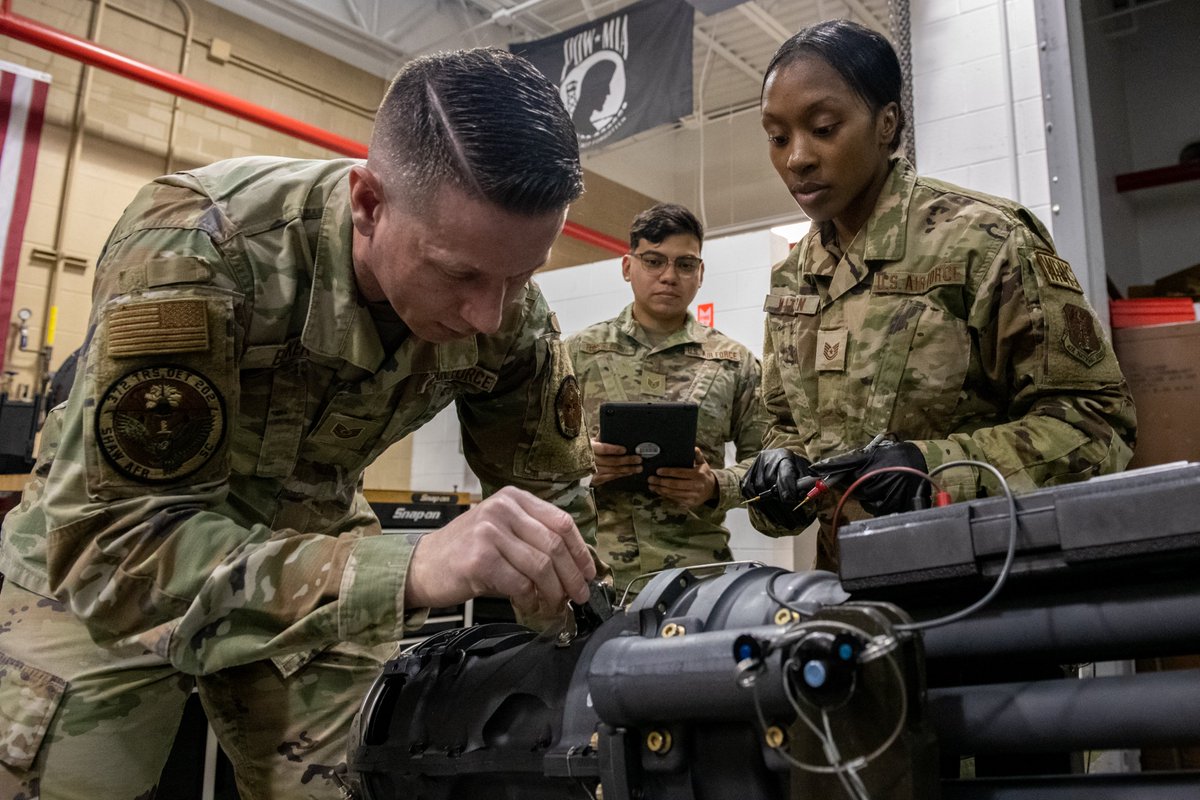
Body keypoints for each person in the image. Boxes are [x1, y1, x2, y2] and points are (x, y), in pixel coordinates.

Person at [0, 48, 601, 800]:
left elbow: (562, 509)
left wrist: (586, 618)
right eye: (461, 273)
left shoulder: (513, 319)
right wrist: (411, 567)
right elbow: (121, 540)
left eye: (523, 275)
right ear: (368, 203)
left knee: (382, 780)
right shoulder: (201, 242)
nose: (491, 313)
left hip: (310, 545)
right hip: (110, 564)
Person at [740, 20, 1136, 572]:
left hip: (987, 593)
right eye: (777, 137)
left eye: (824, 128)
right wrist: (776, 475)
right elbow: (786, 429)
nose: (796, 158)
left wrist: (934, 471)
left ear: (886, 124)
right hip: (855, 597)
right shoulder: (793, 278)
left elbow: (1095, 426)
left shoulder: (985, 240)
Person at [567, 203, 769, 599]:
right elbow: (530, 461)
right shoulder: (576, 355)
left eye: (685, 264)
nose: (669, 277)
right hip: (594, 574)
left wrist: (715, 486)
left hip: (699, 578)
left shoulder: (734, 362)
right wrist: (582, 464)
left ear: (700, 273)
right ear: (628, 267)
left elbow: (768, 465)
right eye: (654, 261)